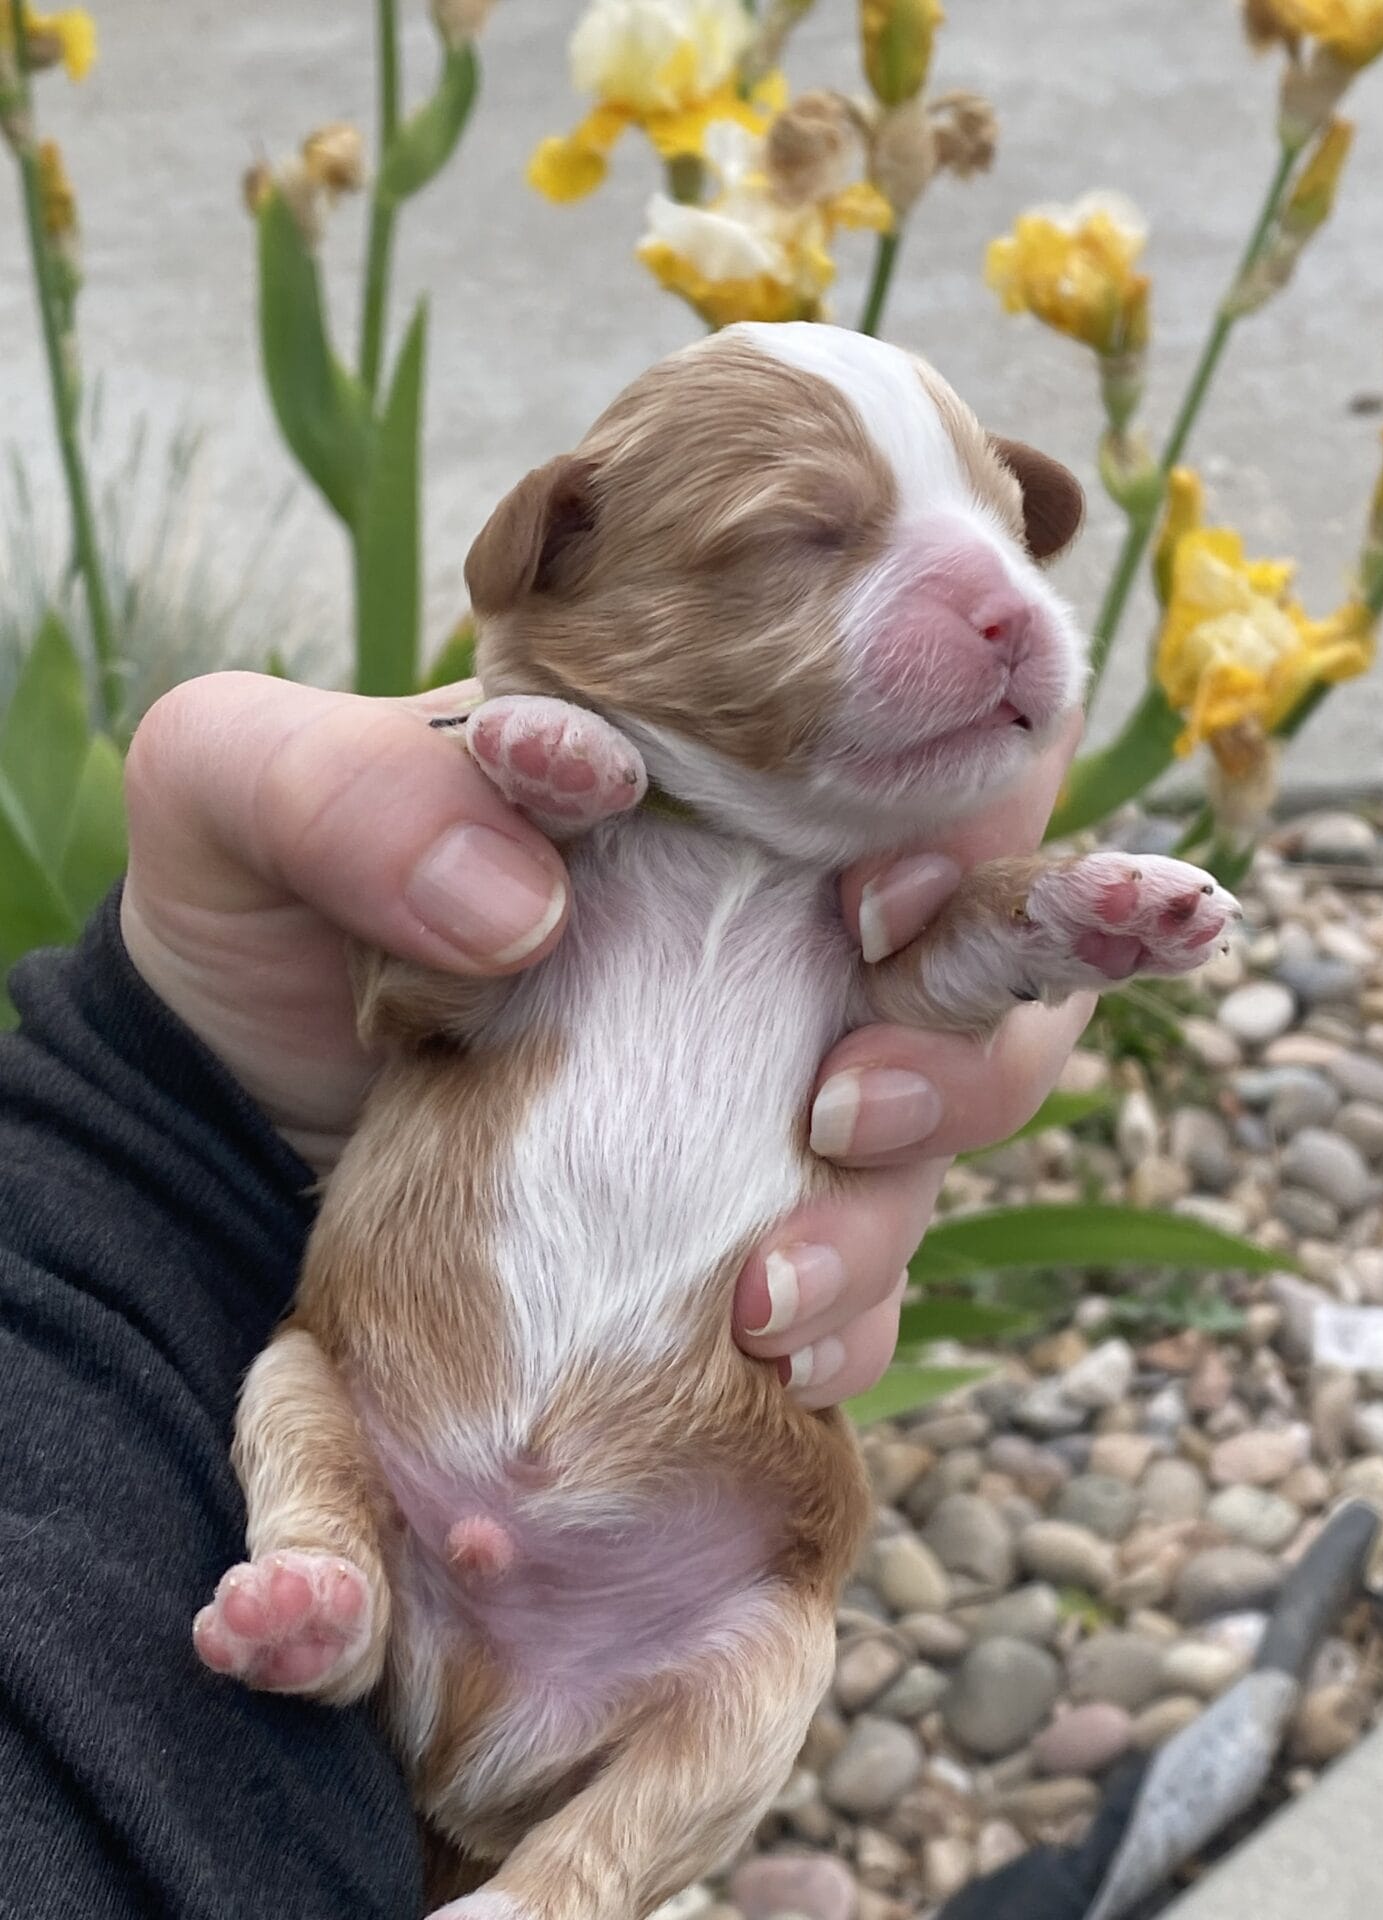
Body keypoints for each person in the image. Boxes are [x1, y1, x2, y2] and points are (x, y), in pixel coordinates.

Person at [0, 672, 1092, 1919]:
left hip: (659, 1585)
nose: (997, 621)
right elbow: (421, 992)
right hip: (397, 1478)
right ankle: (332, 1570)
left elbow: (935, 978)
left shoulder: (864, 880)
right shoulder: (566, 819)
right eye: (794, 542)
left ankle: (566, 1880)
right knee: (301, 1388)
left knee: (771, 1655)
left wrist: (1028, 928)